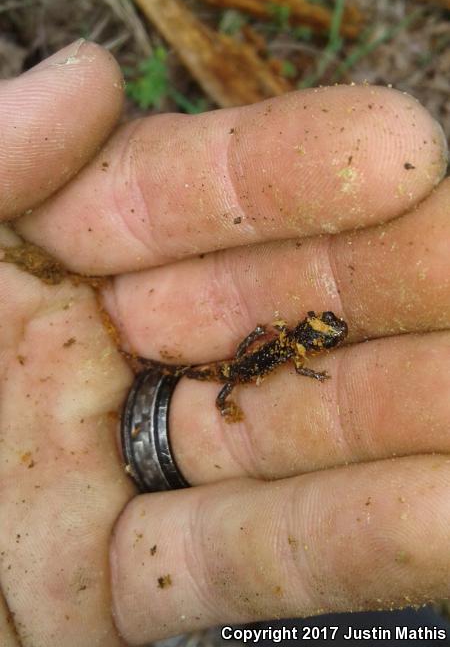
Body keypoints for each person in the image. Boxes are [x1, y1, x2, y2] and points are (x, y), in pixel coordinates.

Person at [0, 39, 449, 646]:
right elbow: (289, 358)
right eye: (322, 330)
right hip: (239, 368)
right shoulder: (289, 349)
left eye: (322, 334)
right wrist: (264, 378)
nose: (321, 334)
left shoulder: (293, 344)